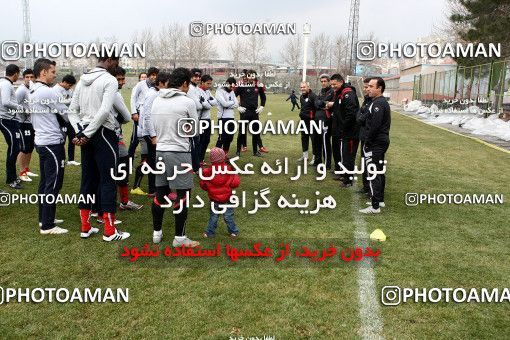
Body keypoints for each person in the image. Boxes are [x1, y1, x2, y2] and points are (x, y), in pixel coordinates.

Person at [68, 52, 130, 241]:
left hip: (87, 132)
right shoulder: (109, 80)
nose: (116, 67)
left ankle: (85, 227)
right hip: (103, 133)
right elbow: (104, 111)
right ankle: (110, 231)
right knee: (108, 180)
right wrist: (86, 133)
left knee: (88, 180)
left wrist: (81, 131)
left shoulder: (82, 80)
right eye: (116, 63)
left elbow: (72, 111)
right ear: (109, 61)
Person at [151, 67, 199, 247]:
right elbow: (194, 131)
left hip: (161, 151)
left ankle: (157, 233)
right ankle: (180, 238)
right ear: (185, 83)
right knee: (182, 196)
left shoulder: (157, 100)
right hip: (179, 152)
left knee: (160, 193)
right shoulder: (187, 102)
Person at [29, 58, 70, 234]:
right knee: (53, 183)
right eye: (53, 72)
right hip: (51, 143)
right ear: (43, 72)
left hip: (42, 141)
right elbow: (66, 114)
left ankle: (45, 218)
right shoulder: (46, 92)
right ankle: (47, 226)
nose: (55, 75)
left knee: (46, 182)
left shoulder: (34, 90)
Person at [111, 66, 142, 211]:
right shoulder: (114, 94)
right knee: (119, 168)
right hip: (112, 137)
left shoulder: (114, 92)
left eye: (123, 79)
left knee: (120, 167)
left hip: (115, 135)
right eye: (119, 79)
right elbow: (126, 117)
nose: (122, 82)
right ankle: (117, 202)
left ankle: (122, 201)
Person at [359, 77, 391, 214]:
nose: (368, 89)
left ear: (379, 88)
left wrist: (368, 142)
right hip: (380, 141)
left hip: (376, 142)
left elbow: (375, 126)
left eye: (371, 86)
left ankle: (375, 206)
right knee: (378, 171)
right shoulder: (377, 102)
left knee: (373, 172)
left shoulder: (378, 104)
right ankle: (379, 200)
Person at [138, 71, 171, 196]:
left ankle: (156, 188)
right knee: (154, 161)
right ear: (161, 83)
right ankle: (153, 189)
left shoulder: (158, 93)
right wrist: (153, 136)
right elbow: (147, 116)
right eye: (167, 83)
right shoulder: (152, 95)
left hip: (156, 133)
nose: (169, 86)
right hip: (151, 134)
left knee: (156, 160)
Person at [328, 74, 360, 187]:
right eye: (331, 84)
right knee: (344, 155)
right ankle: (344, 175)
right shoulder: (340, 93)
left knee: (348, 156)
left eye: (334, 84)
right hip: (344, 131)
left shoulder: (348, 94)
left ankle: (348, 180)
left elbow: (351, 115)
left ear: (341, 82)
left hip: (351, 132)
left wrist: (343, 128)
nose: (332, 86)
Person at [200, 147, 240, 238]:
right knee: (228, 216)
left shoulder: (207, 172)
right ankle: (233, 231)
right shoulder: (229, 169)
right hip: (228, 198)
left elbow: (203, 185)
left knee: (214, 216)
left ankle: (210, 232)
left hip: (214, 199)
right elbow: (235, 183)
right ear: (223, 157)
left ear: (211, 159)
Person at [0, 64, 24, 189]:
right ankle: (11, 179)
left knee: (15, 147)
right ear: (16, 73)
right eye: (19, 74)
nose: (18, 76)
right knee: (15, 148)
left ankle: (12, 177)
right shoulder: (5, 84)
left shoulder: (4, 83)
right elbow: (5, 102)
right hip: (6, 119)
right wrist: (21, 108)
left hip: (10, 119)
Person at [235, 70, 268, 157]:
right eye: (249, 76)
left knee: (256, 132)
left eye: (253, 76)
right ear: (247, 76)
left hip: (254, 112)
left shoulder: (258, 86)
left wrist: (262, 106)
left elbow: (263, 97)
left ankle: (255, 151)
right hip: (244, 112)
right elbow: (232, 96)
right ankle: (238, 151)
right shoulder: (241, 86)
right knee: (241, 132)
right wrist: (238, 106)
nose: (251, 77)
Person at [128, 67, 159, 159]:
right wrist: (134, 112)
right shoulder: (141, 84)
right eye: (153, 75)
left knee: (147, 137)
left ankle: (145, 160)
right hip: (139, 113)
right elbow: (133, 98)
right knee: (135, 138)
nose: (154, 77)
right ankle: (129, 160)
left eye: (156, 75)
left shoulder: (156, 87)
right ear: (149, 75)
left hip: (150, 114)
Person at [15, 68, 38, 182]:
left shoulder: (33, 89)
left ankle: (26, 169)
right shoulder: (21, 90)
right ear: (24, 78)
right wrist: (25, 111)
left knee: (30, 148)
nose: (29, 79)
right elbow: (14, 105)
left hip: (31, 123)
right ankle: (22, 172)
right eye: (27, 77)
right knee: (24, 149)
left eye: (31, 77)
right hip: (23, 123)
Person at [53, 74, 79, 165]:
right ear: (64, 82)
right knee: (62, 140)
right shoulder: (55, 90)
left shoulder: (69, 90)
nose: (70, 87)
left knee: (72, 138)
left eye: (72, 86)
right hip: (60, 118)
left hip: (70, 118)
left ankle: (71, 160)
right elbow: (61, 102)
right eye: (69, 85)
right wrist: (72, 100)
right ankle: (61, 159)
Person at [314, 74, 334, 167]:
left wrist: (321, 103)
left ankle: (327, 163)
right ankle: (317, 161)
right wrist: (322, 103)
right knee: (317, 140)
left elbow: (324, 103)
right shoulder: (321, 91)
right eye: (321, 81)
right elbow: (316, 102)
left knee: (325, 141)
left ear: (329, 81)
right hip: (317, 118)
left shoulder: (332, 91)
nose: (323, 83)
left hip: (325, 119)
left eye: (325, 81)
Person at [357, 77, 373, 197]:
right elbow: (359, 115)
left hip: (370, 137)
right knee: (363, 162)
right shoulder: (366, 100)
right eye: (365, 86)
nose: (365, 89)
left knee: (370, 163)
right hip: (363, 136)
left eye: (368, 86)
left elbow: (364, 117)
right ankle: (366, 186)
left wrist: (361, 117)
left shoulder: (375, 102)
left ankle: (371, 189)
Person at [197, 74, 217, 165]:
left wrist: (206, 102)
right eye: (208, 83)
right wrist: (208, 103)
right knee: (201, 140)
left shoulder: (208, 92)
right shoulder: (198, 91)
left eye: (210, 84)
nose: (209, 85)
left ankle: (201, 158)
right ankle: (198, 159)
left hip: (207, 119)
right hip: (201, 120)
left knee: (207, 140)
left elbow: (215, 102)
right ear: (202, 82)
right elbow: (206, 105)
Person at [215, 77, 238, 154]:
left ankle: (225, 155)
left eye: (233, 87)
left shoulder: (231, 91)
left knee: (230, 138)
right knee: (222, 138)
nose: (232, 88)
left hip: (231, 117)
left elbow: (237, 103)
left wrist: (229, 104)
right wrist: (232, 102)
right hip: (222, 118)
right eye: (231, 86)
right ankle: (216, 155)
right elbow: (224, 104)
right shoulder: (219, 91)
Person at [297, 81, 317, 162]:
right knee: (304, 138)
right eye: (301, 87)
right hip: (303, 122)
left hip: (312, 123)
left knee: (313, 140)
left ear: (308, 87)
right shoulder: (302, 96)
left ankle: (315, 158)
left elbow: (317, 109)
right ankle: (305, 156)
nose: (302, 89)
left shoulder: (313, 96)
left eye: (304, 87)